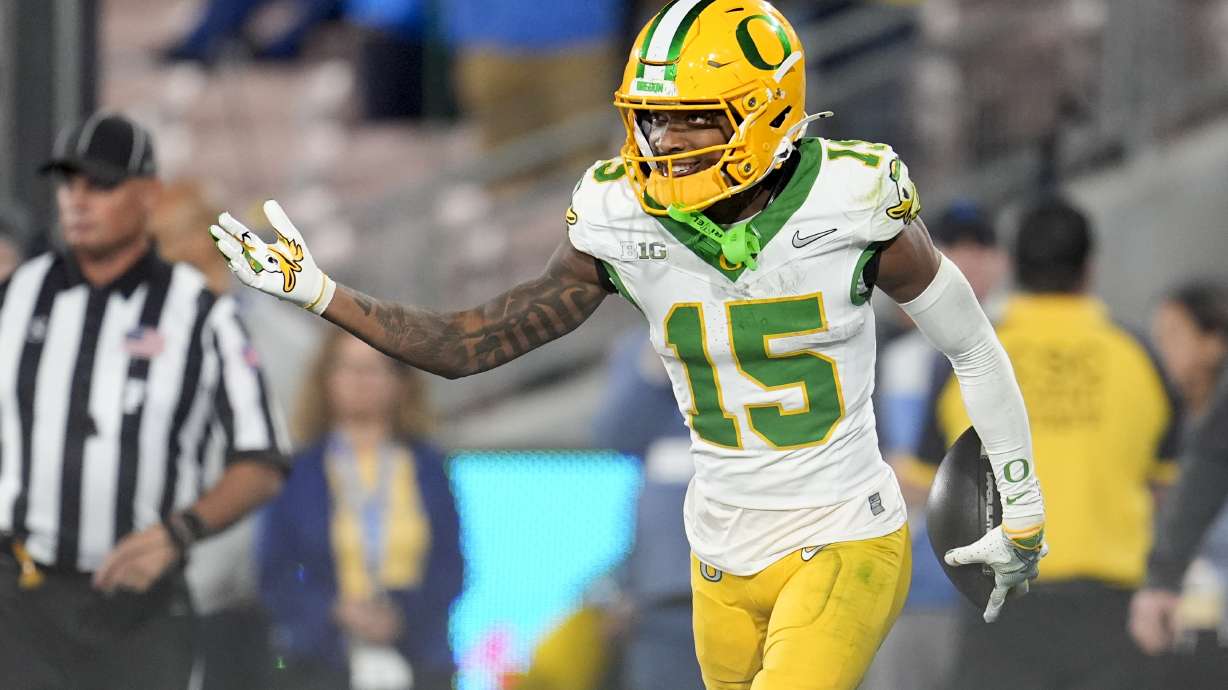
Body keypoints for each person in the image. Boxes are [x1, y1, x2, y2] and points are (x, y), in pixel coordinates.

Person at [210, 2, 1047, 687]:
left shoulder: (854, 200)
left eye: (689, 123)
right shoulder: (619, 216)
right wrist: (318, 292)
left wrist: (1022, 505)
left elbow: (974, 346)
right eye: (652, 123)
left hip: (844, 531)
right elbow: (469, 344)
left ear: (766, 116)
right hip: (717, 547)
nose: (662, 146)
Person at [0, 112, 288, 688]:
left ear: (149, 195)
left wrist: (178, 533)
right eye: (69, 184)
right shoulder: (16, 297)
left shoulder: (201, 314)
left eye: (100, 185)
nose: (78, 201)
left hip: (140, 606)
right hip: (19, 598)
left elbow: (262, 458)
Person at [922, 197, 1180, 690]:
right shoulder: (1139, 355)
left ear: (1014, 266)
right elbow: (1165, 486)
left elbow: (925, 480)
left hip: (999, 604)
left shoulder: (966, 357)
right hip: (1112, 610)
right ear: (1090, 267)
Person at [259, 329, 463, 690]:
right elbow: (274, 572)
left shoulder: (428, 467)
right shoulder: (299, 472)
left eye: (372, 370)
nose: (359, 382)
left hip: (418, 655)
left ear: (399, 382)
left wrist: (400, 613)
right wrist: (333, 611)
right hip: (323, 661)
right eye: (348, 369)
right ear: (326, 379)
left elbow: (450, 566)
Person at [1130, 281, 1228, 683]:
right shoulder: (1160, 424)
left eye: (1172, 335)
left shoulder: (1211, 439)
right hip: (1171, 616)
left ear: (1214, 343)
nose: (1159, 350)